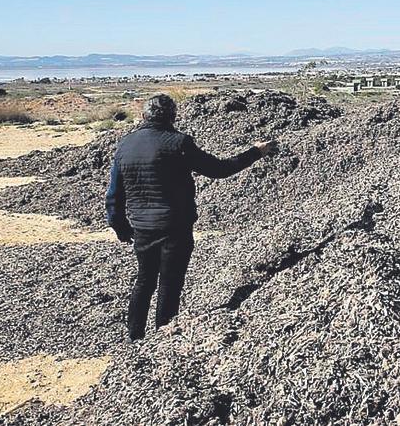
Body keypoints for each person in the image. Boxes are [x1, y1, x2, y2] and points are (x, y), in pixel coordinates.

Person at [106, 94, 274, 340]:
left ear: (143, 116)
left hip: (142, 227)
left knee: (144, 280)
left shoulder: (125, 145)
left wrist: (119, 226)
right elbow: (219, 169)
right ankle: (163, 336)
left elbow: (114, 193)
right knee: (170, 283)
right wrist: (255, 152)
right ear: (173, 117)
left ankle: (134, 337)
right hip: (175, 226)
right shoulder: (178, 143)